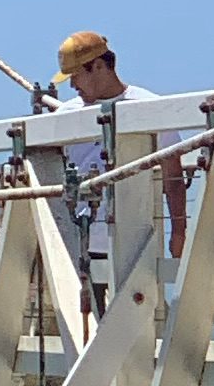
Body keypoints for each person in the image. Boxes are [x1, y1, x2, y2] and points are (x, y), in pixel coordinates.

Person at [53, 29, 186, 270]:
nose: (72, 85)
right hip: (78, 242)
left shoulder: (150, 107)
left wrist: (179, 232)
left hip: (139, 241)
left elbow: (173, 177)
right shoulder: (65, 115)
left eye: (76, 75)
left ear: (100, 66)